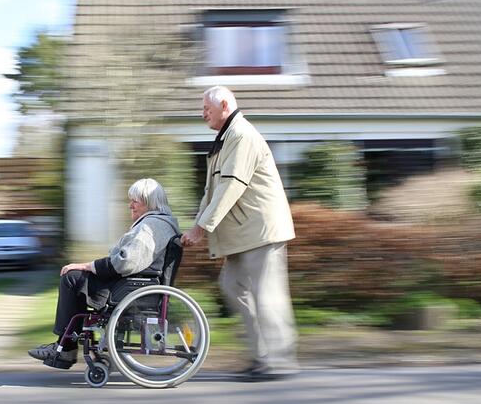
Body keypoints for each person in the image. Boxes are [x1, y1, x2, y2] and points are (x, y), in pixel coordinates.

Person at [181, 86, 299, 381]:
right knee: (233, 286)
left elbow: (231, 186)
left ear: (224, 104)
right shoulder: (225, 139)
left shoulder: (242, 136)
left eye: (206, 107)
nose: (202, 112)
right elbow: (212, 192)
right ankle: (262, 356)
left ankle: (279, 360)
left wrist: (200, 228)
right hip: (243, 234)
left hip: (261, 232)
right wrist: (195, 226)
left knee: (267, 296)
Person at [28, 178, 180, 369]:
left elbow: (126, 261)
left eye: (135, 200)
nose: (130, 205)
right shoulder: (159, 223)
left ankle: (65, 348)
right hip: (132, 284)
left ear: (149, 201)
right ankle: (66, 346)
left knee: (71, 278)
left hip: (129, 288)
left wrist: (88, 265)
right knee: (76, 278)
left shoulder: (151, 226)